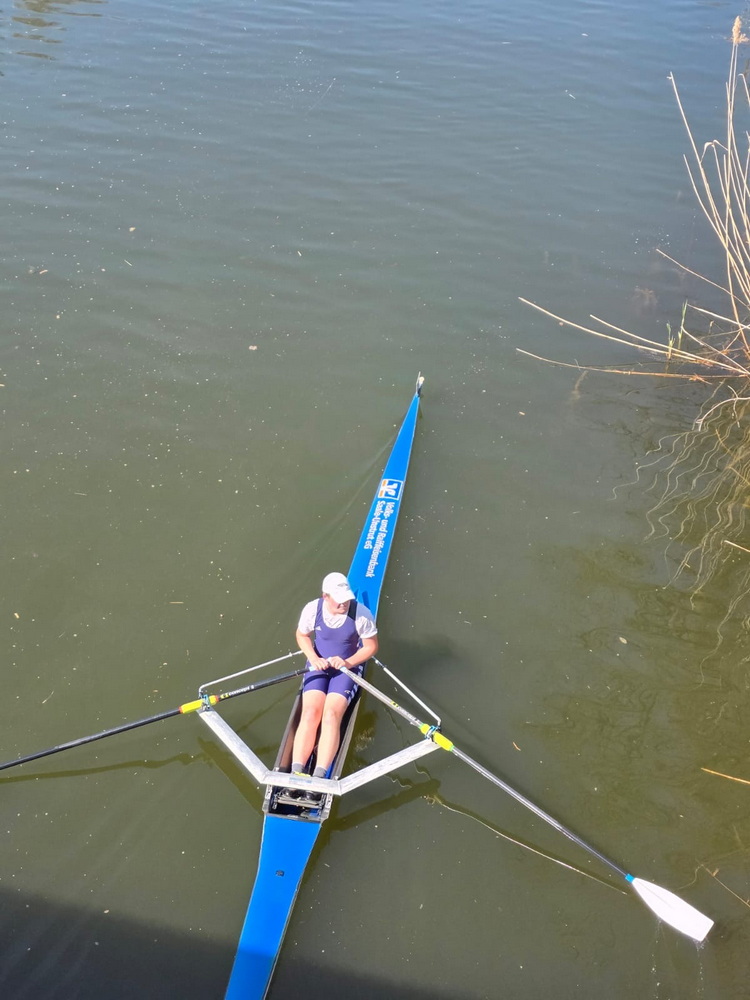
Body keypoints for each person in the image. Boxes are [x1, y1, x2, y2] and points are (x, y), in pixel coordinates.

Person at [291, 572, 378, 783]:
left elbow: (371, 647)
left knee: (330, 715)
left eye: (346, 599)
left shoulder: (361, 614)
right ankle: (296, 774)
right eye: (339, 600)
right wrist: (313, 658)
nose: (344, 603)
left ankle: (320, 776)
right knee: (310, 713)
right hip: (318, 664)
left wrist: (347, 662)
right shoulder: (312, 609)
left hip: (347, 669)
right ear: (325, 597)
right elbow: (302, 635)